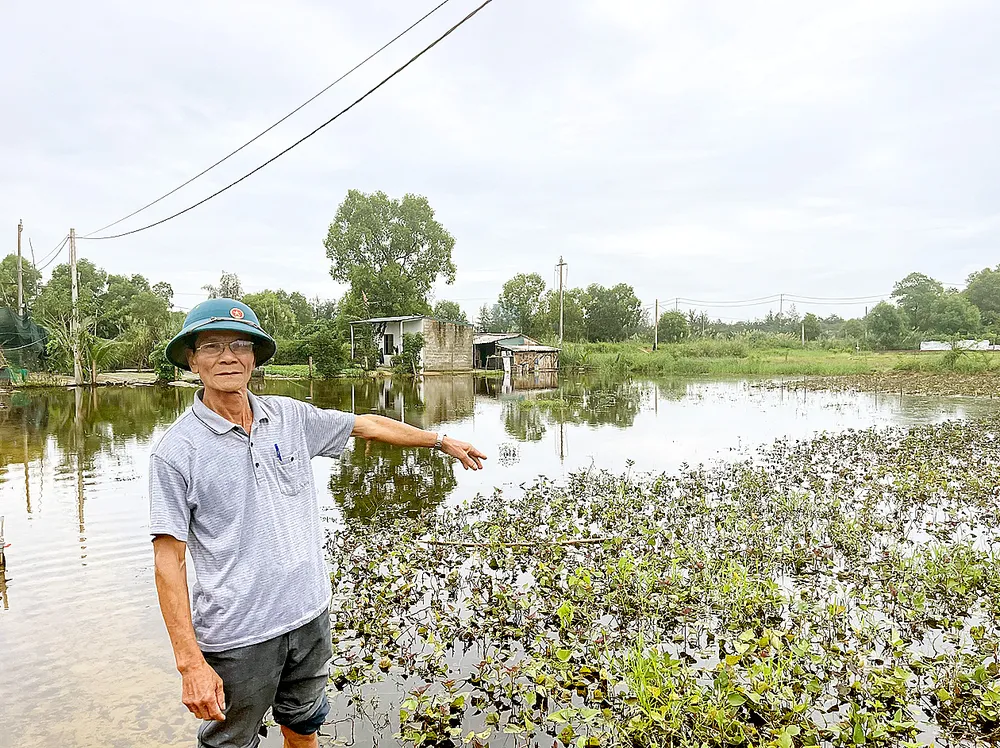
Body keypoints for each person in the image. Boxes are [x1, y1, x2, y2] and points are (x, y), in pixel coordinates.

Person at [149, 298, 486, 748]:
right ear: (192, 360)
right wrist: (190, 663)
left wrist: (440, 440)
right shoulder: (176, 452)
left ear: (254, 357)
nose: (228, 357)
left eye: (240, 345)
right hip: (238, 635)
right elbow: (168, 562)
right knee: (229, 742)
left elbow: (365, 425)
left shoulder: (290, 417)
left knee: (304, 724)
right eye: (212, 346)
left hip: (309, 615)